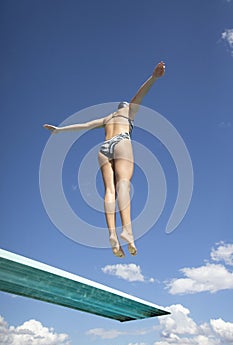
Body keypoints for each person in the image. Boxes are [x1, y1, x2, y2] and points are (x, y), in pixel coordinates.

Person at [43, 61, 165, 257]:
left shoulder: (106, 119)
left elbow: (83, 125)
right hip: (122, 142)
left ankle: (112, 236)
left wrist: (59, 130)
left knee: (109, 190)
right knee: (123, 183)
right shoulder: (128, 112)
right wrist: (153, 77)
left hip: (103, 148)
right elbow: (140, 94)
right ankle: (127, 230)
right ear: (126, 106)